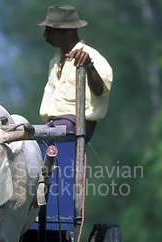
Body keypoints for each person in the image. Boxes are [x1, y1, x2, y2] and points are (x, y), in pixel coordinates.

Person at [38, 5, 113, 141]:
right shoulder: (55, 61)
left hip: (73, 125)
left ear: (66, 31)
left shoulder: (92, 57)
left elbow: (100, 90)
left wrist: (88, 66)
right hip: (51, 125)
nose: (45, 35)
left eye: (49, 30)